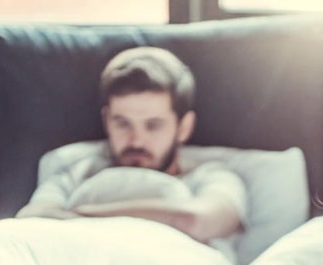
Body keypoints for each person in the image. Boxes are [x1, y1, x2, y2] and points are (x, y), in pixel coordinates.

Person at [16, 46, 247, 248]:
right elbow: (30, 219)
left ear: (184, 127)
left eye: (153, 126)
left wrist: (75, 214)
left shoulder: (213, 177)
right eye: (123, 124)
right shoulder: (78, 173)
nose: (136, 140)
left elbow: (194, 221)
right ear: (107, 120)